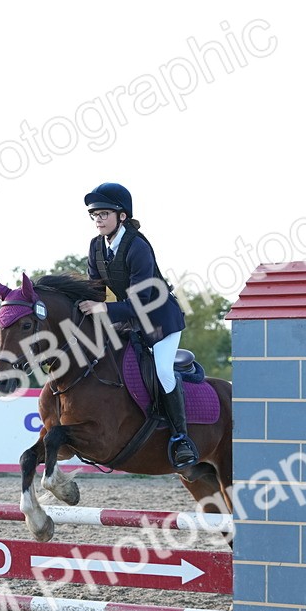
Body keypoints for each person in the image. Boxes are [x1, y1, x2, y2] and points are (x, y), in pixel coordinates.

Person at [75, 182, 197, 472]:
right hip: (129, 320)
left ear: (122, 216)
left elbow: (140, 300)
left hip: (160, 322)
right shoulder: (96, 246)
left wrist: (102, 308)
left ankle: (181, 439)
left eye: (104, 214)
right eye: (94, 215)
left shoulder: (138, 246)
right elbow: (96, 289)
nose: (99, 220)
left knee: (163, 371)